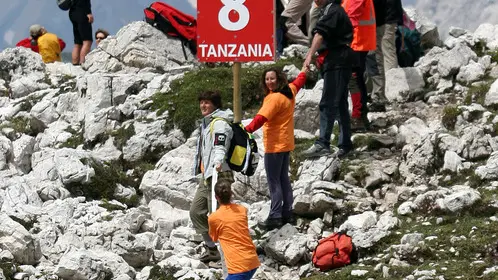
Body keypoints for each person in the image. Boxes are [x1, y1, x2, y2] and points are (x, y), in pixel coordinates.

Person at [244, 66, 307, 230]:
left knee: (274, 182)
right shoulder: (289, 91)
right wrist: (304, 71)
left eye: (272, 78)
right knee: (284, 179)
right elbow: (299, 83)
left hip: (274, 145)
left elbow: (260, 118)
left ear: (278, 79)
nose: (269, 82)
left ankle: (275, 216)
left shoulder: (274, 99)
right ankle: (288, 212)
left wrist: (246, 130)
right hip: (286, 144)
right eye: (267, 79)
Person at [301, 0, 354, 158]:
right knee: (340, 104)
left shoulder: (332, 10)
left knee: (328, 102)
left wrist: (309, 55)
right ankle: (345, 145)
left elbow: (320, 34)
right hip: (339, 59)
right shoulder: (332, 10)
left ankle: (323, 143)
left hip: (337, 60)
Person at [191, 91, 234, 263]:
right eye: (201, 102)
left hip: (219, 173)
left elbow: (220, 145)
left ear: (215, 104)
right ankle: (211, 248)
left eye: (207, 103)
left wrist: (217, 162)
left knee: (219, 216)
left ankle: (227, 254)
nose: (203, 106)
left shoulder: (220, 124)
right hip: (207, 175)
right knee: (196, 211)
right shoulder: (206, 123)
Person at [208, 180, 260, 280]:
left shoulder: (213, 218)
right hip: (252, 260)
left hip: (238, 267)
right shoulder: (242, 209)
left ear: (216, 197)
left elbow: (214, 238)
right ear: (232, 194)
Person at [342, 0, 377, 131]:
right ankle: (362, 116)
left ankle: (358, 117)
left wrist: (344, 39)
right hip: (361, 40)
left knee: (354, 78)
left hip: (357, 41)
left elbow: (351, 17)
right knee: (358, 78)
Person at [369, 0, 404, 111]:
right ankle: (383, 92)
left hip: (385, 19)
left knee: (387, 52)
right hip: (386, 18)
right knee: (385, 53)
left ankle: (391, 91)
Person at [69, 0, 93, 65]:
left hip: (72, 12)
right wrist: (88, 12)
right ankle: (82, 64)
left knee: (78, 43)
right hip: (82, 12)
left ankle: (75, 65)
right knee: (87, 41)